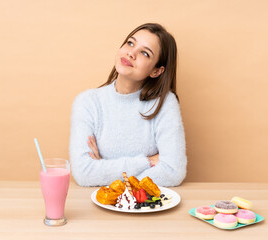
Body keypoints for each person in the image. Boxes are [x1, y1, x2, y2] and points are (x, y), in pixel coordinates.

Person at [69, 23, 187, 187]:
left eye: (145, 53)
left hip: (147, 209)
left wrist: (104, 171)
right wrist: (146, 162)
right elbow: (84, 174)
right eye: (130, 43)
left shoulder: (165, 103)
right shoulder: (87, 102)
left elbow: (173, 172)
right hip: (100, 208)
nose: (131, 53)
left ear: (156, 71)